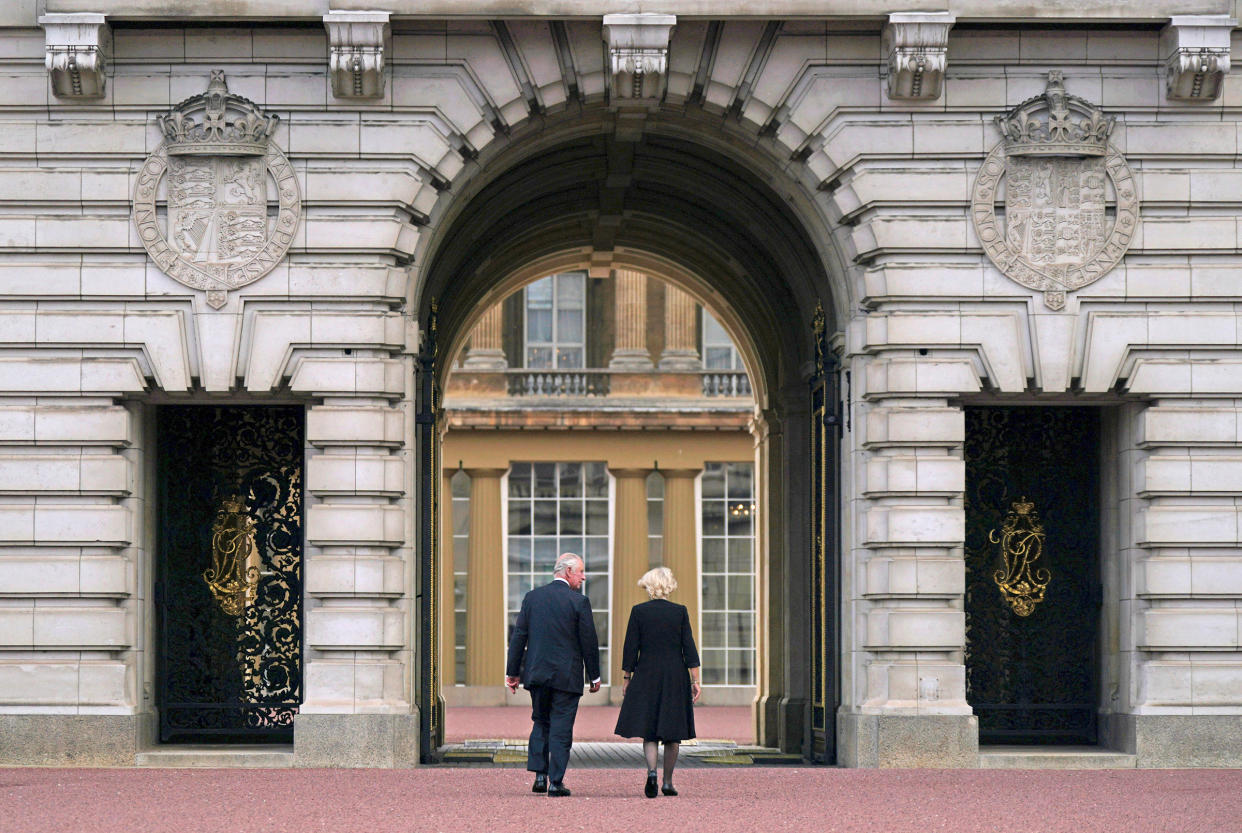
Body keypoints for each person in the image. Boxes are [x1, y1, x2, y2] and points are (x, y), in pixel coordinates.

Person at [505, 552, 601, 797]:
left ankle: (540, 775)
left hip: (537, 674)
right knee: (561, 728)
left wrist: (513, 672)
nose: (583, 577)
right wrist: (594, 676)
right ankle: (556, 783)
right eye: (580, 572)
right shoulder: (579, 602)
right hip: (567, 676)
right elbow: (588, 641)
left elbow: (519, 637)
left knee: (541, 722)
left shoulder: (532, 598)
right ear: (568, 572)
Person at [613, 566, 701, 798]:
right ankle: (668, 782)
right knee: (673, 732)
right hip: (674, 674)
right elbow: (688, 647)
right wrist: (695, 679)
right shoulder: (679, 612)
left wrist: (626, 678)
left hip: (647, 673)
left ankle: (651, 772)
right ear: (669, 585)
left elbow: (631, 647)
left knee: (649, 730)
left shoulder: (639, 611)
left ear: (649, 585)